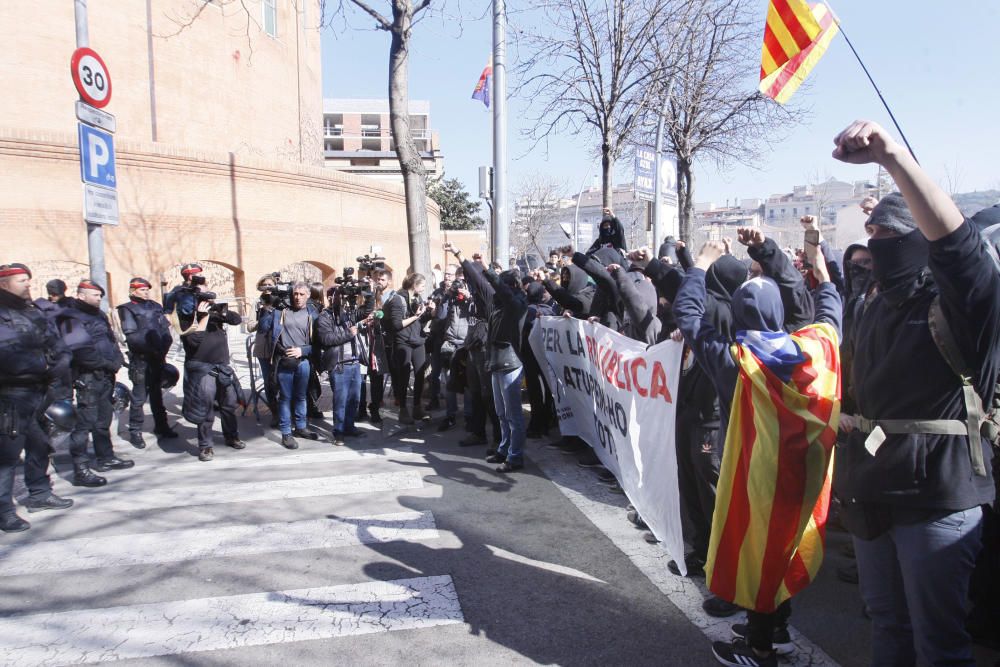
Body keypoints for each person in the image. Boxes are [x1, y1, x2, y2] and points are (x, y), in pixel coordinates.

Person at [831, 120, 998, 666]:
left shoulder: (961, 303)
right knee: (887, 626)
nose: (874, 245)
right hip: (872, 492)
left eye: (886, 235)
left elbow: (957, 248)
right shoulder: (873, 303)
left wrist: (893, 160)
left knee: (939, 646)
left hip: (936, 499)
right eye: (870, 235)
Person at [675, 238, 842, 667]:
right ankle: (780, 632)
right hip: (803, 472)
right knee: (784, 551)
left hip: (757, 474)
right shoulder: (813, 351)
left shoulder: (736, 361)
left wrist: (701, 264)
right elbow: (830, 314)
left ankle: (760, 648)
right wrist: (821, 277)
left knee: (760, 558)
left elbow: (687, 315)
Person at [0, 263, 74, 532]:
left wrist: (59, 363)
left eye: (28, 280)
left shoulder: (33, 313)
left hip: (39, 391)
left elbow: (56, 344)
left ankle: (39, 494)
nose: (28, 285)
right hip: (10, 394)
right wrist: (38, 365)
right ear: (4, 284)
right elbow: (9, 355)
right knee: (7, 456)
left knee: (40, 444)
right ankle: (4, 511)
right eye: (22, 281)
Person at [447, 242, 528, 472]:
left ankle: (515, 456)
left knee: (513, 415)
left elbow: (496, 286)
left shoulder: (517, 305)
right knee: (501, 414)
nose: (498, 288)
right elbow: (483, 284)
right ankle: (503, 449)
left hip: (510, 363)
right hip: (495, 362)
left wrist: (488, 270)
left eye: (504, 284)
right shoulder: (497, 306)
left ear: (511, 286)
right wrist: (462, 256)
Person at [60, 280, 133, 482]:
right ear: (81, 295)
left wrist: (118, 358)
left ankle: (106, 457)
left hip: (105, 376)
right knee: (84, 424)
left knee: (103, 420)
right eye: (94, 295)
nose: (99, 299)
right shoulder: (71, 317)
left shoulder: (99, 315)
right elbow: (81, 351)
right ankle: (80, 468)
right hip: (88, 377)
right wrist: (106, 364)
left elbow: (111, 340)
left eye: (100, 296)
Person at [181, 295, 245, 461]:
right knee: (206, 409)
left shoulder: (215, 316)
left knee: (229, 405)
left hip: (223, 368)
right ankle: (205, 446)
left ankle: (232, 437)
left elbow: (236, 320)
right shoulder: (187, 319)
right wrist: (201, 318)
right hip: (203, 370)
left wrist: (220, 312)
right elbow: (193, 341)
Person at [116, 276, 177, 449]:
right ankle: (135, 431)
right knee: (139, 397)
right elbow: (132, 336)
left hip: (158, 357)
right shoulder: (127, 309)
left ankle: (162, 426)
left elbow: (165, 330)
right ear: (133, 290)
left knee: (157, 395)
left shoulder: (155, 306)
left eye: (147, 289)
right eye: (142, 289)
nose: (146, 292)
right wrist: (150, 350)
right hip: (141, 360)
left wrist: (163, 348)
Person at [317, 286, 369, 445]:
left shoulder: (349, 314)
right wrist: (349, 333)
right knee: (341, 400)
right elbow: (326, 339)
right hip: (339, 365)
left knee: (354, 399)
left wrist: (368, 291)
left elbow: (368, 309)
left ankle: (349, 426)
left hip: (354, 362)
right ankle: (338, 431)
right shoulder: (324, 317)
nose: (345, 301)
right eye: (342, 297)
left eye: (347, 298)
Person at [270, 282, 320, 449]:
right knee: (285, 398)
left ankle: (300, 427)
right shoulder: (281, 311)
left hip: (303, 361)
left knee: (301, 396)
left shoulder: (312, 314)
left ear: (308, 296)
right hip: (285, 361)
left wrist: (303, 350)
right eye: (295, 294)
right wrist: (267, 305)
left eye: (301, 294)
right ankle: (286, 433)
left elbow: (319, 343)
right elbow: (271, 335)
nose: (297, 297)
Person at [383, 272, 435, 424]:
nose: (424, 288)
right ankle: (403, 410)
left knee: (420, 374)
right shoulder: (398, 299)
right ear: (415, 284)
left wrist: (431, 313)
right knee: (403, 377)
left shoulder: (417, 298)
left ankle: (417, 408)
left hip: (418, 341)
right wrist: (416, 316)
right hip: (403, 342)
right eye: (423, 285)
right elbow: (397, 325)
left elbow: (420, 320)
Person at [248, 274, 279, 427]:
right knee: (269, 381)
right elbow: (249, 326)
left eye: (270, 285)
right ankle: (275, 413)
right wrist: (264, 316)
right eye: (264, 285)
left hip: (280, 346)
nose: (267, 288)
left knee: (282, 379)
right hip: (263, 347)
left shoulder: (281, 300)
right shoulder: (257, 303)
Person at [425, 265, 456, 412]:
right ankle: (434, 400)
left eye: (450, 274)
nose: (446, 276)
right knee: (435, 370)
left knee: (450, 373)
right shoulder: (438, 292)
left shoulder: (458, 293)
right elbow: (435, 314)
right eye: (446, 274)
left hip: (451, 338)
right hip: (437, 336)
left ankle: (452, 407)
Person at [163, 263, 207, 332]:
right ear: (191, 277)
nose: (202, 277)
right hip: (190, 330)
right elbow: (188, 310)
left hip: (204, 328)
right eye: (200, 275)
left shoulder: (201, 288)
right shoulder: (180, 292)